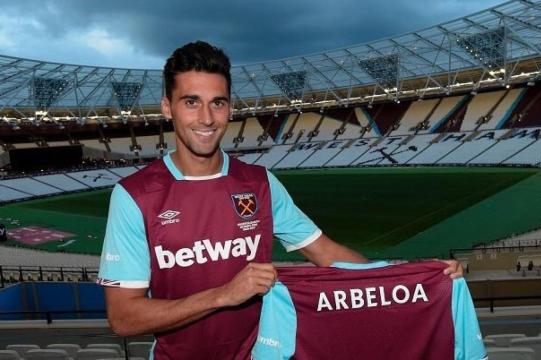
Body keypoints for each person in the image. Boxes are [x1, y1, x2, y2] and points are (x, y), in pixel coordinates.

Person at [97, 41, 462, 360]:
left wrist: (417, 279)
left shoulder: (259, 183)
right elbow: (125, 318)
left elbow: (326, 253)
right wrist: (223, 295)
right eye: (191, 102)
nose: (206, 118)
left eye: (217, 103)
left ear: (230, 108)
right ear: (167, 107)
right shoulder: (135, 196)